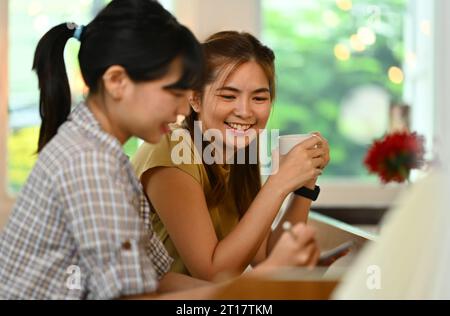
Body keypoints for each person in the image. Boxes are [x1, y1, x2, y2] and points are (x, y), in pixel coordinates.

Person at [0, 1, 326, 300]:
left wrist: (253, 290)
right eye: (174, 90)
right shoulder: (89, 164)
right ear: (117, 82)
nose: (187, 104)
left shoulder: (108, 157)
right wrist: (257, 287)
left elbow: (157, 280)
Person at [131, 31, 331, 281]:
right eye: (228, 96)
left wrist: (304, 184)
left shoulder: (237, 157)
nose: (245, 111)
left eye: (259, 97)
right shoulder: (171, 150)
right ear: (195, 98)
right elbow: (213, 272)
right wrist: (278, 182)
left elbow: (269, 258)